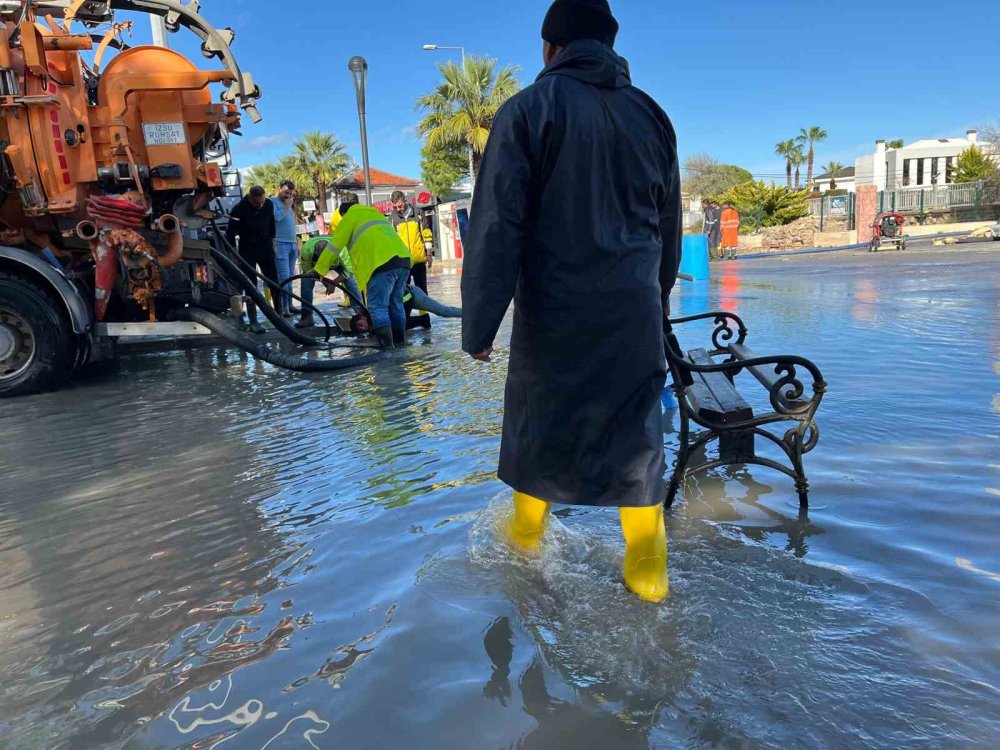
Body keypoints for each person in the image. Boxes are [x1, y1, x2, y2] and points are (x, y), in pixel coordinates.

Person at [461, 0, 681, 603]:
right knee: (638, 457)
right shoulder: (653, 117)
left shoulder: (528, 110)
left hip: (555, 319)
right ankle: (652, 599)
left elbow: (497, 227)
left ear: (549, 47)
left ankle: (522, 582)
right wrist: (656, 304)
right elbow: (666, 228)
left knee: (538, 449)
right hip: (633, 319)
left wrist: (480, 326)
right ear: (609, 44)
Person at [313, 193, 411, 349]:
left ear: (343, 213)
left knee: (378, 307)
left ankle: (387, 349)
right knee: (396, 304)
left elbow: (334, 246)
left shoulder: (349, 217)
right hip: (403, 260)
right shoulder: (374, 213)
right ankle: (400, 345)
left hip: (380, 263)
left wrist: (319, 269)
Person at [226, 185, 276, 334]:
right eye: (256, 203)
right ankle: (254, 322)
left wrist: (273, 245)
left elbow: (272, 224)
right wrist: (233, 255)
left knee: (274, 282)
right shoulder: (238, 209)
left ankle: (278, 317)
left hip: (266, 248)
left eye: (262, 202)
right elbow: (230, 233)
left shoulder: (268, 204)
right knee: (250, 286)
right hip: (247, 250)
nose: (260, 205)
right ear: (250, 198)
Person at [296, 235, 363, 329]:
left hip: (338, 262)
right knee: (306, 282)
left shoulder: (341, 250)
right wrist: (325, 282)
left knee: (351, 282)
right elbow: (309, 273)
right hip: (315, 267)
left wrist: (333, 283)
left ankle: (361, 314)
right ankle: (307, 316)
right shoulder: (306, 251)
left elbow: (348, 271)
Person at [388, 190, 434, 293]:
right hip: (403, 263)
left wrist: (429, 254)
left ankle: (422, 305)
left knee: (422, 290)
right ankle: (406, 305)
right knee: (404, 293)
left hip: (419, 260)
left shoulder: (418, 213)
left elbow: (426, 233)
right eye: (395, 207)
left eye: (400, 206)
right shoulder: (392, 218)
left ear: (405, 201)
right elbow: (391, 241)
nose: (398, 209)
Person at [271, 180, 299, 315]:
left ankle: (290, 304)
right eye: (286, 192)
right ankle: (284, 307)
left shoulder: (289, 204)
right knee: (284, 277)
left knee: (291, 277)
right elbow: (276, 218)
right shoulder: (272, 202)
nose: (288, 196)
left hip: (292, 243)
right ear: (279, 189)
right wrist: (287, 206)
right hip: (280, 243)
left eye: (291, 194)